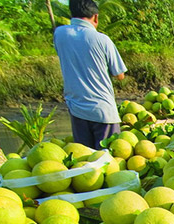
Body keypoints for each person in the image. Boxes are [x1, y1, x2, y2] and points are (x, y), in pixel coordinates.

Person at [53, 0, 127, 150]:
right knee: (108, 162)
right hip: (103, 111)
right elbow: (119, 75)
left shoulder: (60, 34)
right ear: (96, 17)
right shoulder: (102, 40)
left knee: (85, 160)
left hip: (77, 109)